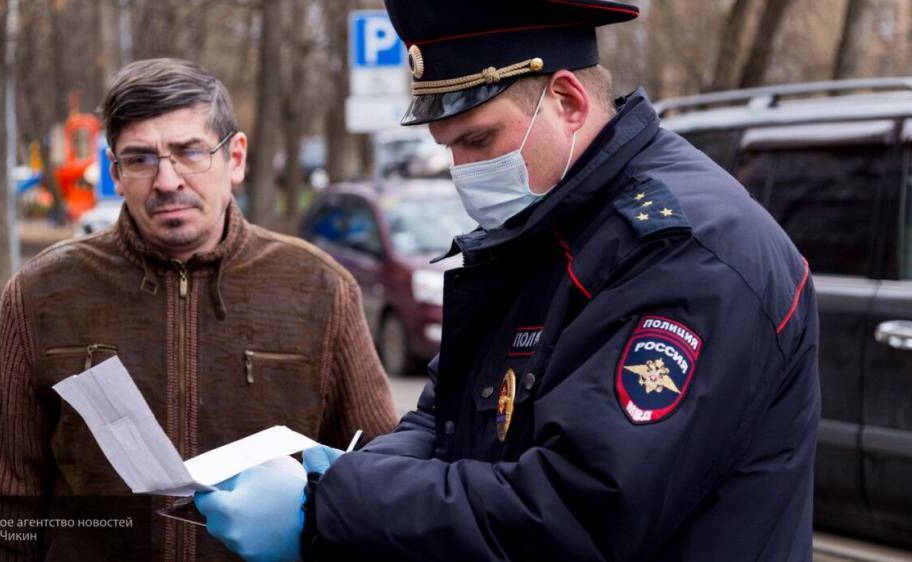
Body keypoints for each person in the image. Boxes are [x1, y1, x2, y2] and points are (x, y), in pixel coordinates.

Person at [193, 1, 821, 561]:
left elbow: (577, 512)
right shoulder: (548, 226)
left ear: (569, 101)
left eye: (478, 138)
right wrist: (332, 479)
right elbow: (448, 423)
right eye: (449, 147)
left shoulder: (688, 253)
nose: (462, 170)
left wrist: (329, 509)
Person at [0, 58, 397, 561]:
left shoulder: (319, 289)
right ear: (115, 174)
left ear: (234, 158)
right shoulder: (43, 293)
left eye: (189, 152)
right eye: (141, 159)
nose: (166, 180)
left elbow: (376, 480)